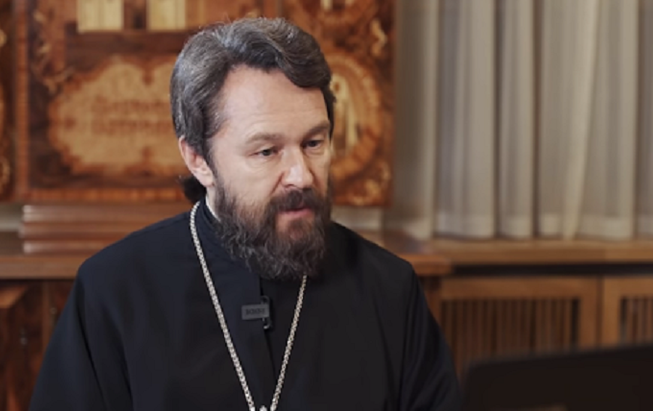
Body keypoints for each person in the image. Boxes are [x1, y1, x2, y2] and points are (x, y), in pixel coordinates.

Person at [30, 17, 460, 411]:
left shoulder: (389, 289)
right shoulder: (114, 291)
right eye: (267, 151)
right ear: (198, 158)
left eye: (314, 143)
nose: (301, 176)